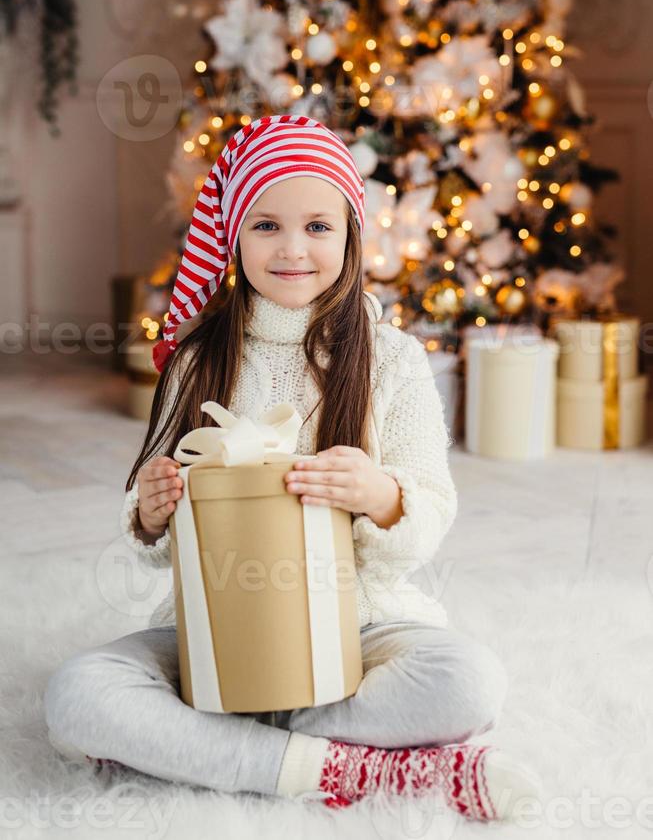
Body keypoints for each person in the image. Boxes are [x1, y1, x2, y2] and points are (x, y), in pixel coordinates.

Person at [44, 114, 543, 819]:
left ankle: (216, 745)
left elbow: (428, 509)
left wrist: (380, 495)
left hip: (360, 625)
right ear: (234, 237)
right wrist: (151, 512)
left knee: (468, 682)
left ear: (349, 235)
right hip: (220, 621)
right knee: (77, 694)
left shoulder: (392, 359)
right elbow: (149, 524)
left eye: (317, 227)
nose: (292, 249)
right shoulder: (197, 360)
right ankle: (360, 770)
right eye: (266, 226)